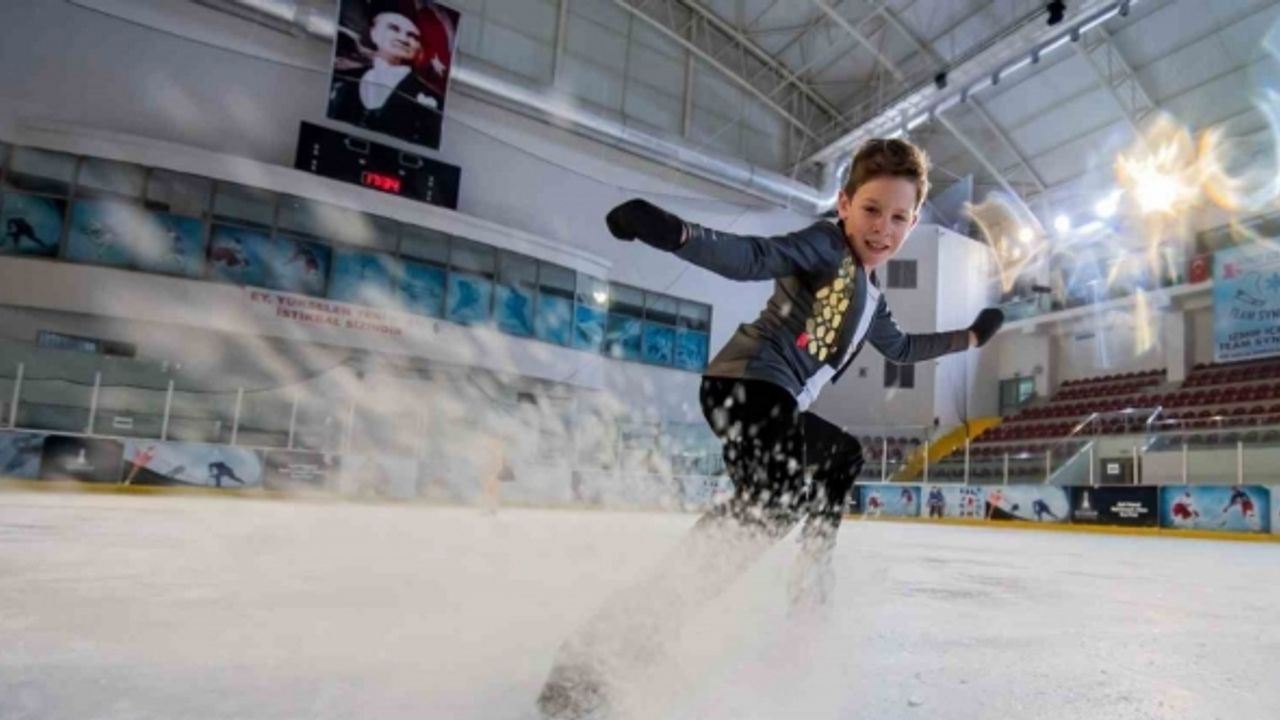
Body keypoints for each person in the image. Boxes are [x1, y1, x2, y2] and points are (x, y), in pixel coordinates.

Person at [536, 138, 1004, 719]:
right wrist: (673, 233)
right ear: (844, 204)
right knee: (774, 501)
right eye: (871, 209)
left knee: (837, 458)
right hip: (749, 384)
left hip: (776, 400)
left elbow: (904, 348)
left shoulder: (872, 299)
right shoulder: (826, 245)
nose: (883, 228)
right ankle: (601, 652)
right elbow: (753, 257)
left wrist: (973, 337)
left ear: (912, 224)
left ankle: (805, 579)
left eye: (899, 217)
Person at [328, 5, 454, 145]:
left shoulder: (432, 99)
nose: (403, 39)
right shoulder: (341, 80)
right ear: (373, 33)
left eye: (412, 36)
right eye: (394, 28)